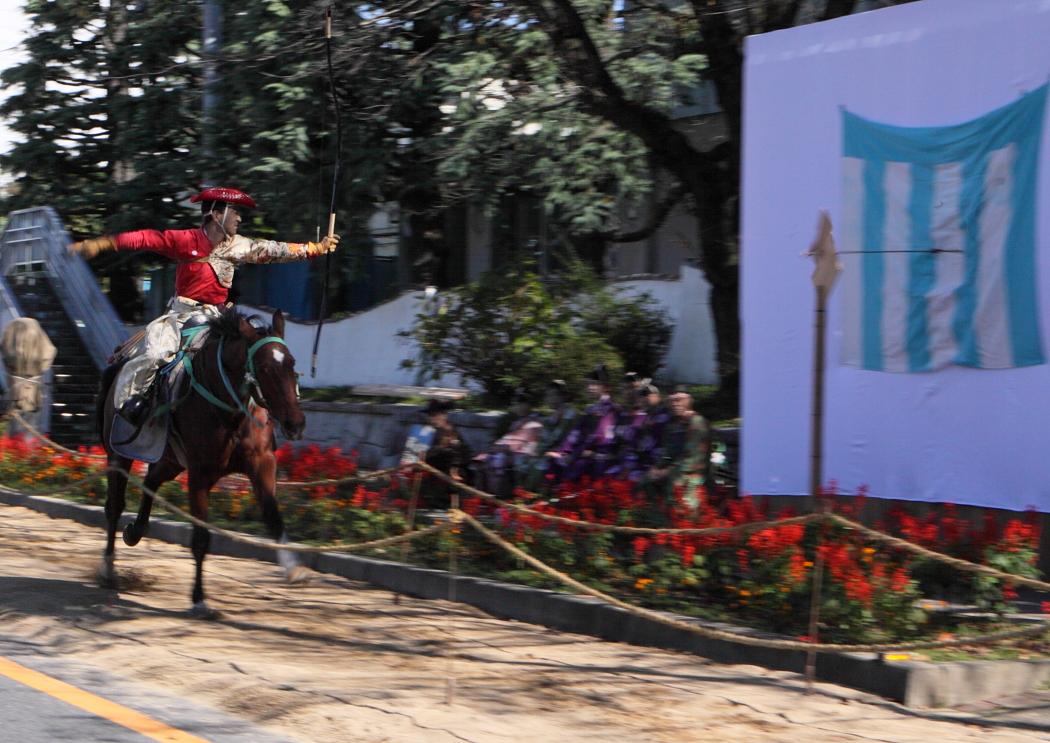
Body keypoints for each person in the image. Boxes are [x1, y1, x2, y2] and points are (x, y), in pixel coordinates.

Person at [69, 187, 339, 425]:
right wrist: (103, 243)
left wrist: (316, 248)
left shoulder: (240, 245)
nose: (239, 218)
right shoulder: (185, 240)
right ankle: (136, 405)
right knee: (154, 354)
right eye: (234, 213)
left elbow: (274, 249)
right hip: (181, 317)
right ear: (215, 215)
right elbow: (147, 238)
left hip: (219, 318)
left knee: (252, 356)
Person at [546, 363, 621, 483]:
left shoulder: (614, 410)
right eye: (588, 384)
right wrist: (564, 452)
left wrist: (574, 454)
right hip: (583, 452)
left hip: (601, 456)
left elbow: (599, 437)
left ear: (605, 387)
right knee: (553, 461)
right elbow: (575, 433)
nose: (590, 387)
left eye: (594, 384)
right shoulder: (589, 409)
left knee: (576, 468)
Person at [642, 391, 711, 513]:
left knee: (675, 484)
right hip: (674, 469)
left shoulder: (696, 422)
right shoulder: (673, 425)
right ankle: (654, 517)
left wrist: (667, 471)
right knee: (645, 480)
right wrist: (657, 467)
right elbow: (667, 452)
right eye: (672, 400)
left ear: (689, 401)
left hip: (691, 472)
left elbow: (692, 457)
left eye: (679, 400)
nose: (675, 403)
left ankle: (683, 520)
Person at [474, 389, 543, 497]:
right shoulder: (515, 421)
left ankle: (501, 496)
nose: (518, 407)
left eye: (521, 404)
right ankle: (483, 497)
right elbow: (508, 438)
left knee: (499, 459)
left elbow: (524, 440)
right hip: (512, 449)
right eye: (517, 404)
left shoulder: (534, 422)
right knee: (484, 459)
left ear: (528, 405)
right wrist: (497, 446)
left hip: (525, 451)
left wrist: (504, 447)